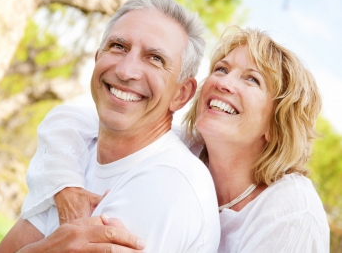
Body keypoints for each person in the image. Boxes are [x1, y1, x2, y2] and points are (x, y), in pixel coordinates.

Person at [21, 27, 330, 252]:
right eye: (221, 69)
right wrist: (66, 186)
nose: (223, 82)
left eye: (251, 79)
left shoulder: (292, 214)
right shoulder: (186, 148)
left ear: (277, 124)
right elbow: (68, 121)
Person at [0, 0, 221, 252]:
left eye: (155, 59)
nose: (125, 71)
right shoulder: (72, 165)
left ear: (181, 94)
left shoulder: (168, 183)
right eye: (118, 47)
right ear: (97, 59)